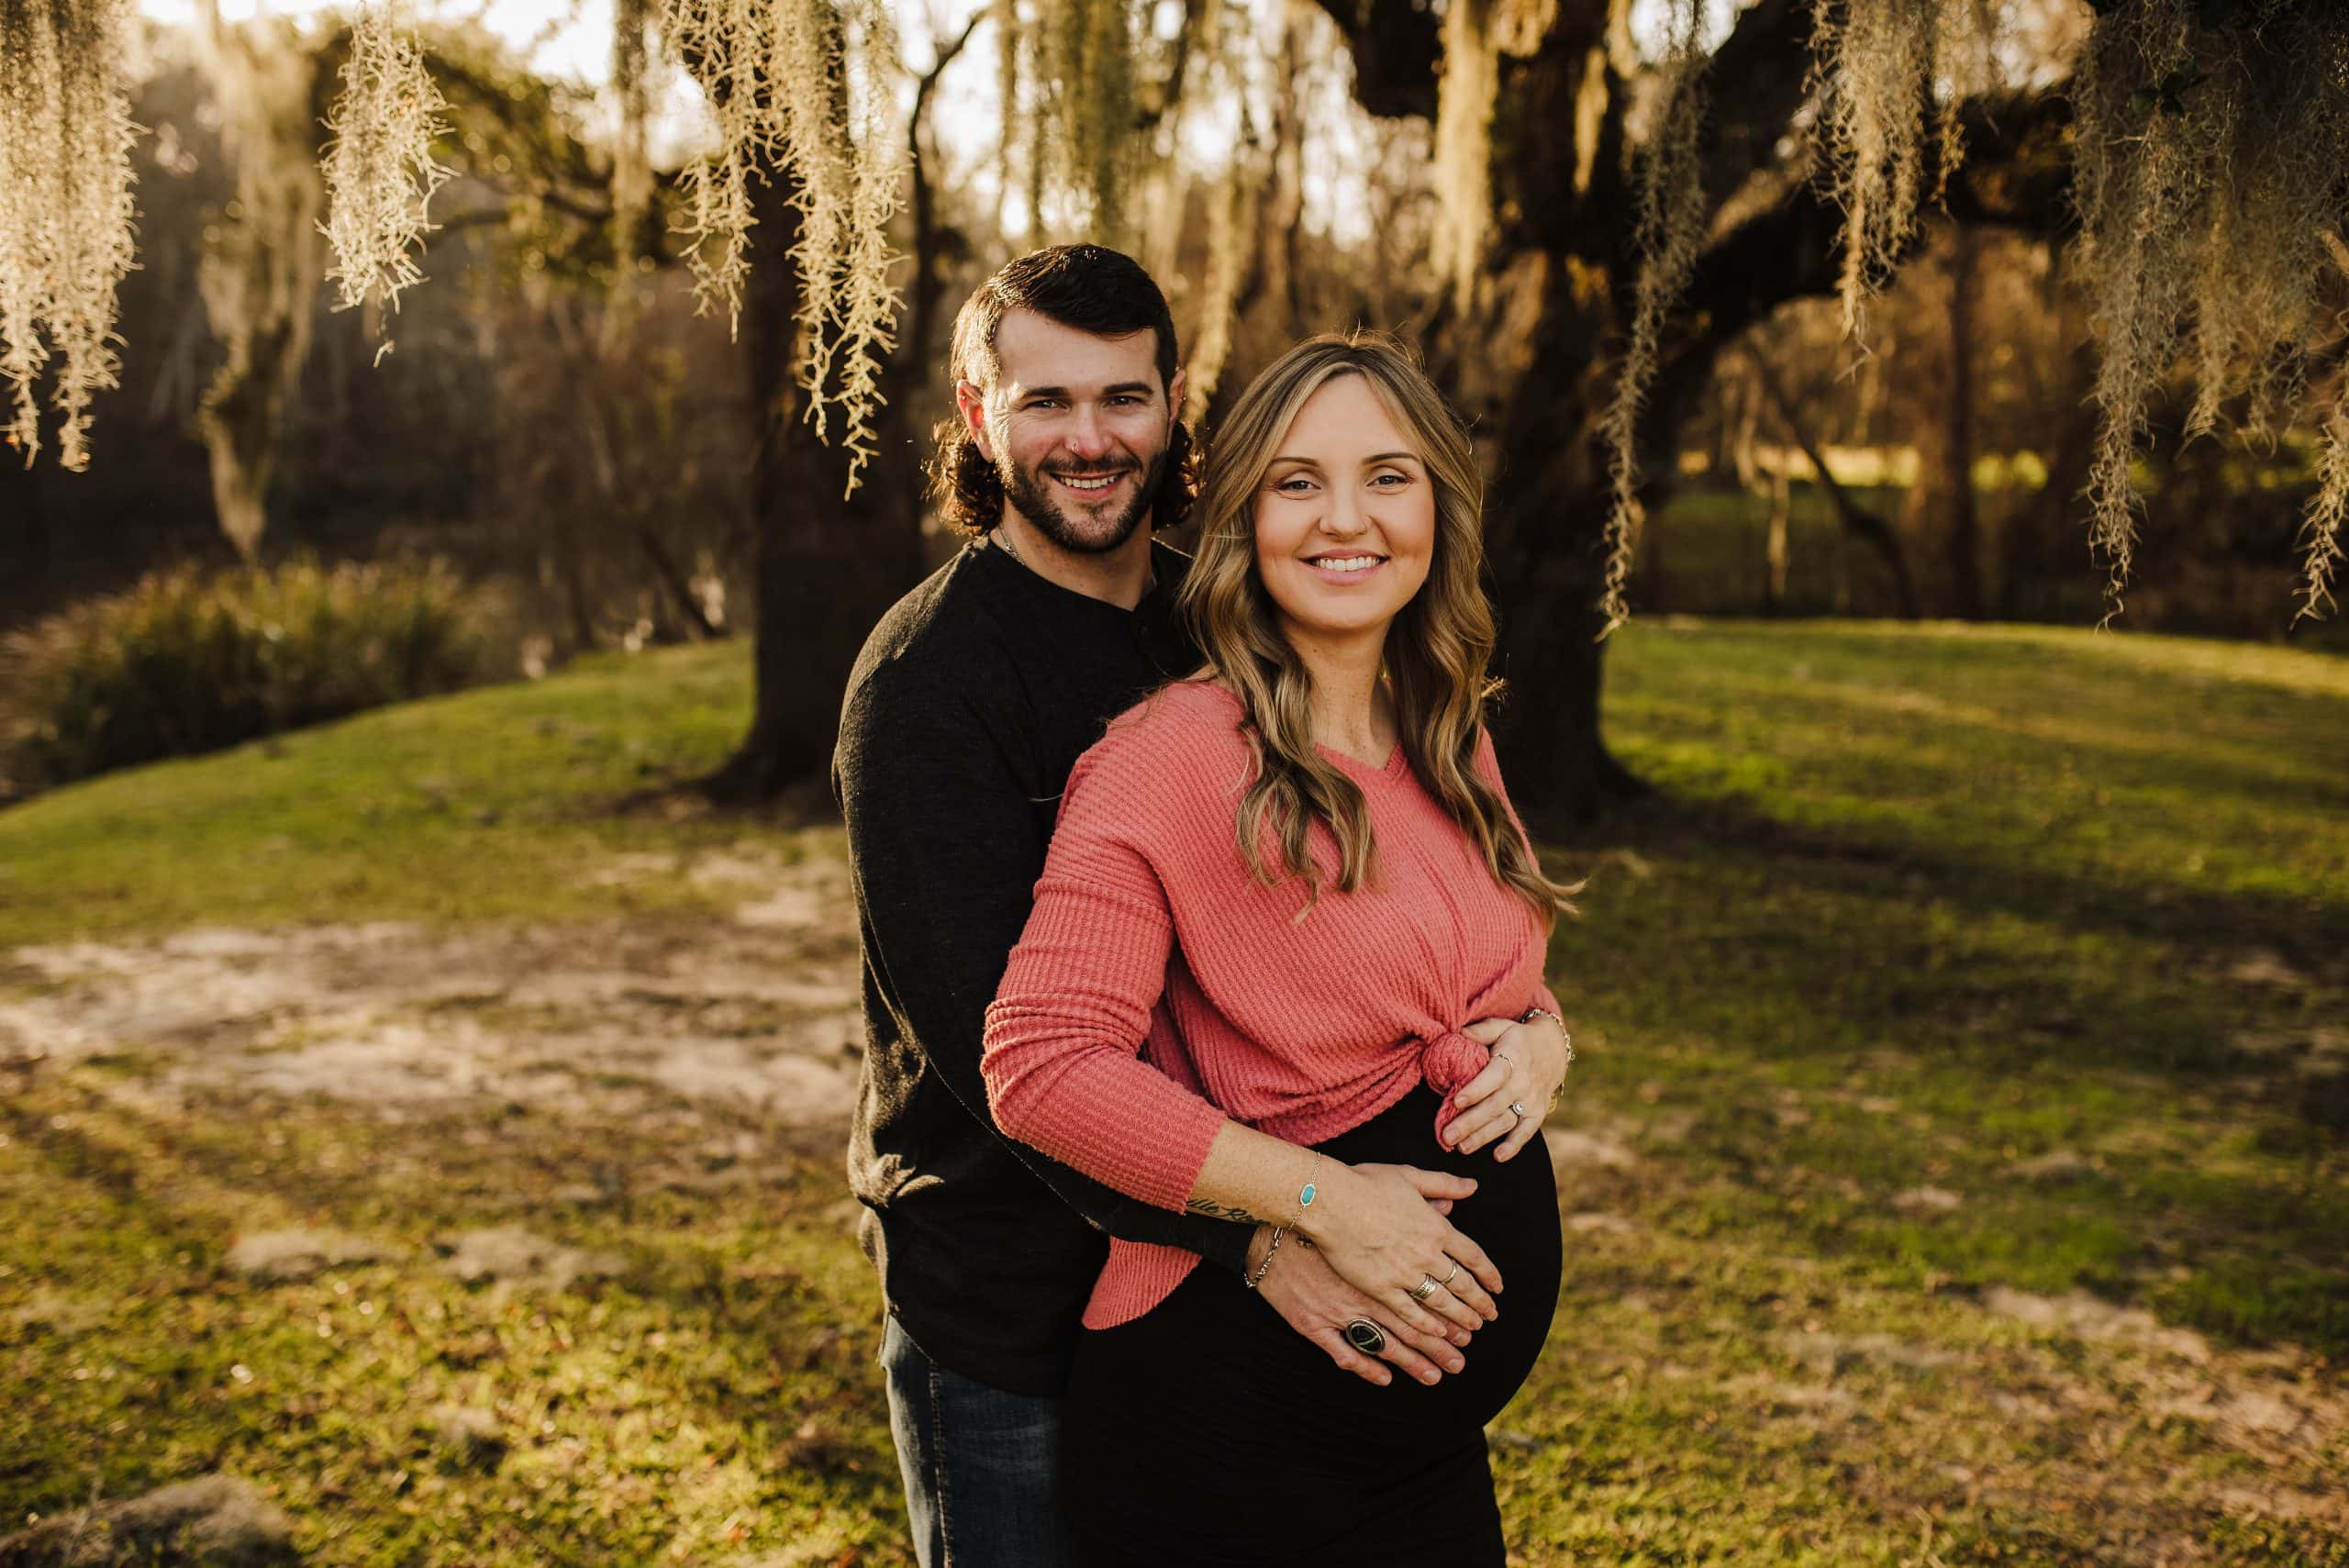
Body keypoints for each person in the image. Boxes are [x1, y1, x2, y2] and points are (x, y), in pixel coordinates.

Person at [833, 250, 1495, 1568]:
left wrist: (1527, 1034)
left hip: (1211, 1293)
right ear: (979, 415)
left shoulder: (1223, 625)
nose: (1090, 440)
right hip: (1011, 1306)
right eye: (1045, 402)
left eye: (1123, 397)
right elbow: (999, 1063)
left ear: (1175, 400)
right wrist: (1272, 1232)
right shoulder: (926, 684)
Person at [981, 328, 1579, 1566]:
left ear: (1438, 511)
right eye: (1298, 482)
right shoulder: (1171, 757)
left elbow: (1488, 977)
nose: (1343, 518)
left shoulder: (1449, 733)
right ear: (1245, 517)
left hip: (1413, 1451)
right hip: (1228, 1438)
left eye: (1388, 475)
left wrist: (1546, 1044)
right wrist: (1326, 1205)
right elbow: (1039, 1066)